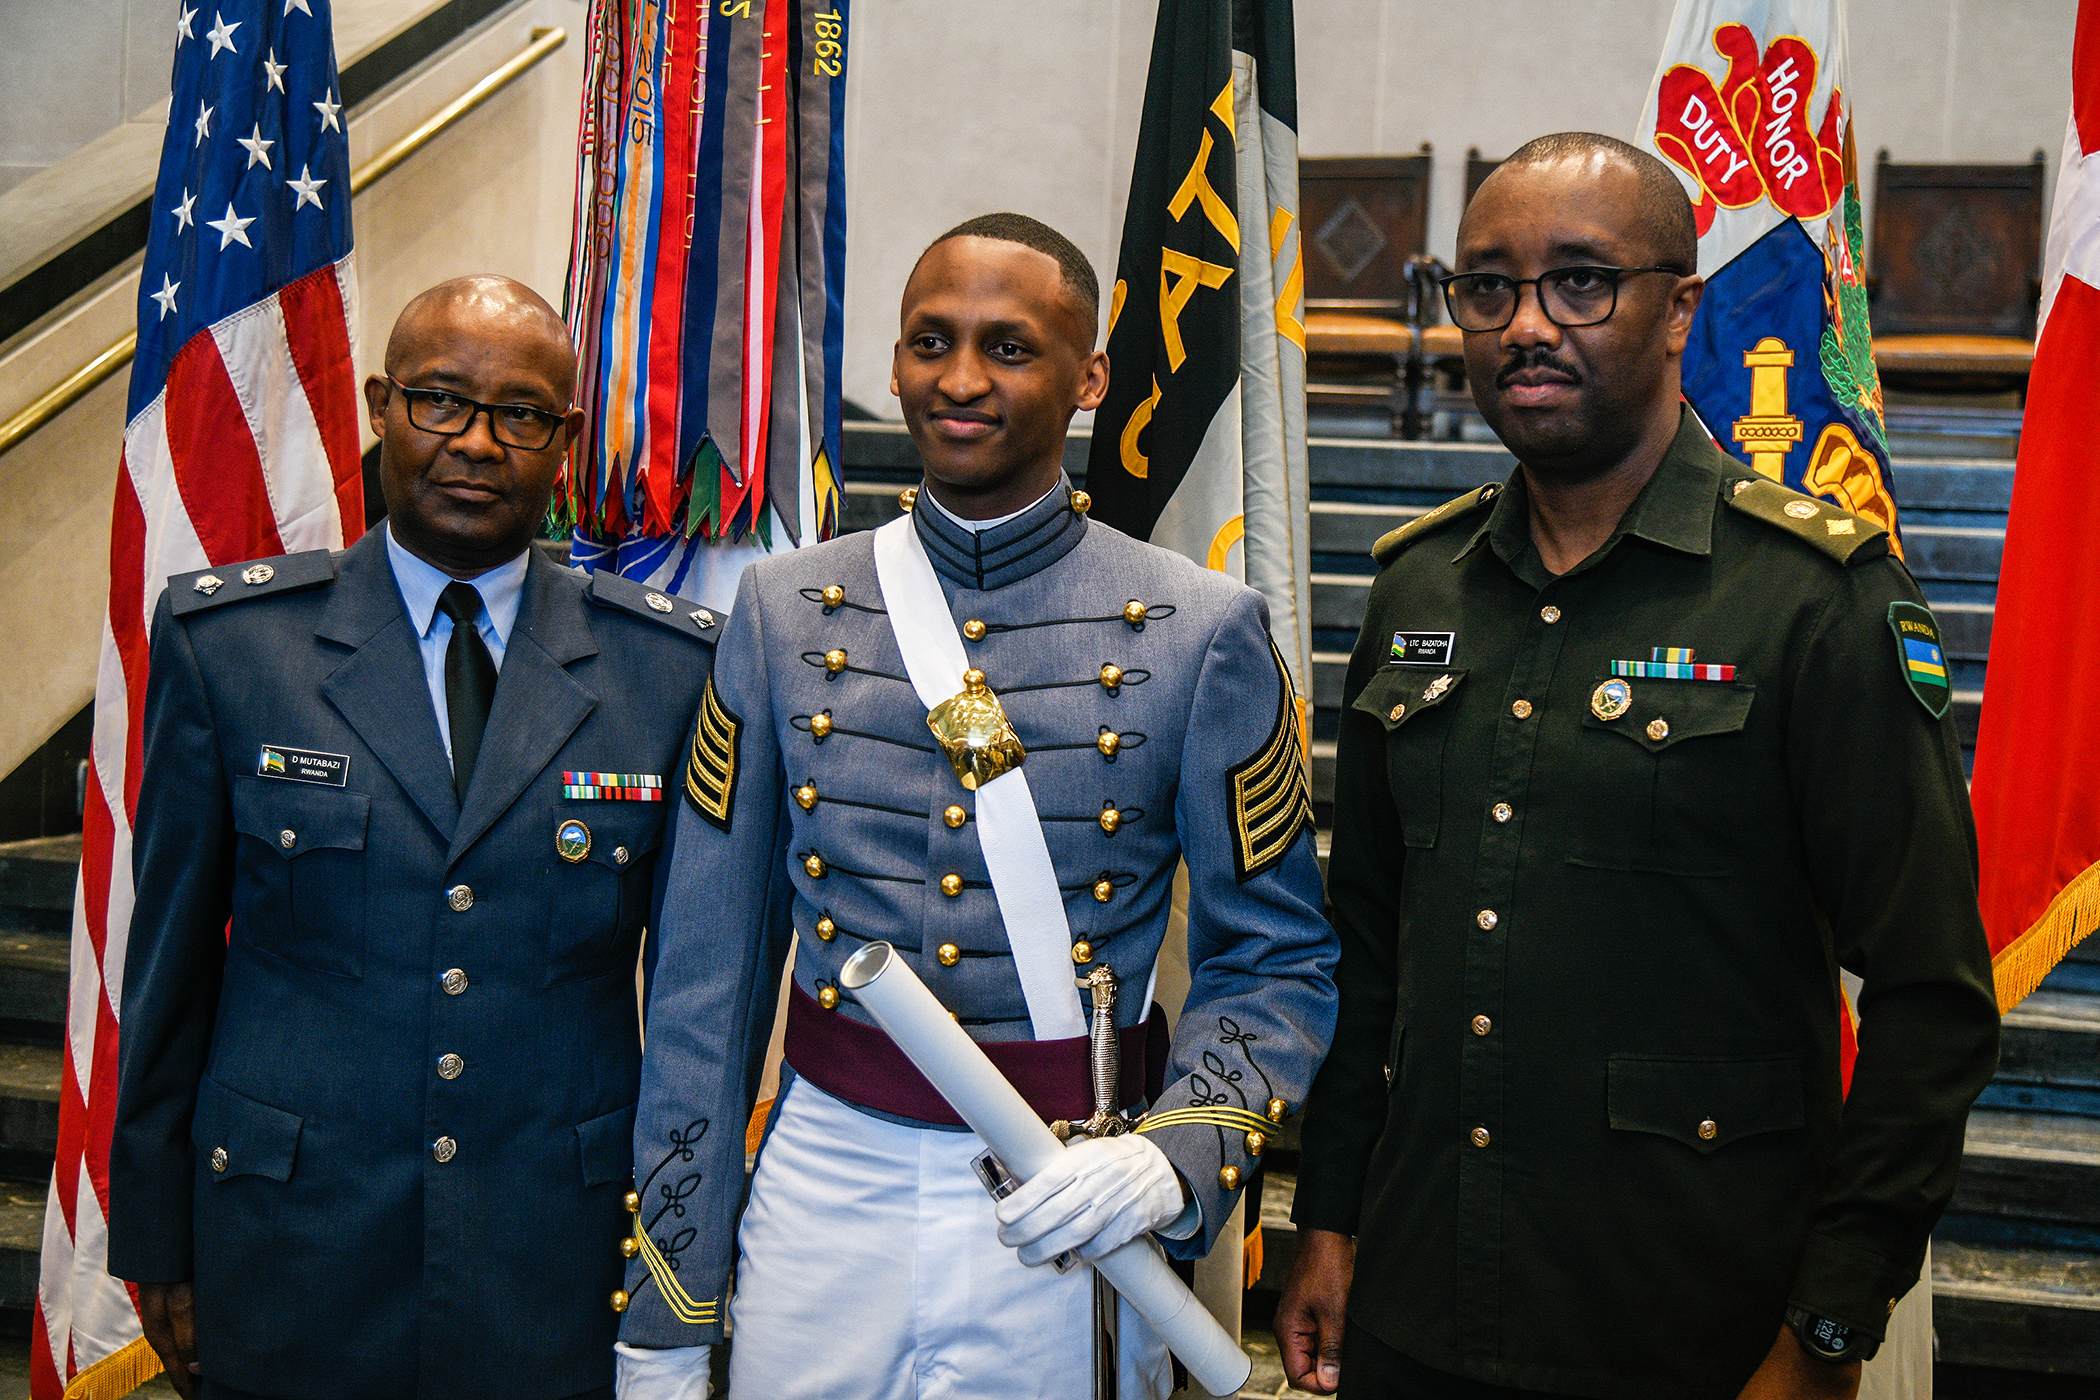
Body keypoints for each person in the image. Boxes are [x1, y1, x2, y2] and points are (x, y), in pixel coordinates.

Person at [1276, 133, 2000, 1400]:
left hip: (1696, 1323)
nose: (1526, 326)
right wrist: (1327, 1212)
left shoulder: (1811, 598)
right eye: (1488, 288)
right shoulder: (1418, 587)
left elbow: (1932, 997)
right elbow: (1368, 948)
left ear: (1681, 311)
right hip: (1420, 1303)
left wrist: (1831, 1321)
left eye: (1581, 283)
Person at [612, 212, 1338, 1400]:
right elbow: (706, 976)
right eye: (929, 342)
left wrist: (1178, 1157)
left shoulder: (1203, 627)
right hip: (825, 1180)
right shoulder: (784, 610)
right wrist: (670, 1309)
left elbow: (1278, 957)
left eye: (1007, 348)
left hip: (1072, 1191)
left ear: (1089, 375)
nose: (958, 380)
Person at [107, 275, 719, 1400]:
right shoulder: (235, 643)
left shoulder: (667, 669)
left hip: (553, 1247)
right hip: (289, 1237)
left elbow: (694, 1000)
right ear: (382, 407)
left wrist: (686, 1247)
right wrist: (157, 1237)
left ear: (565, 442)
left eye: (521, 414)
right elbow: (169, 973)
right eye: (441, 401)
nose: (477, 443)